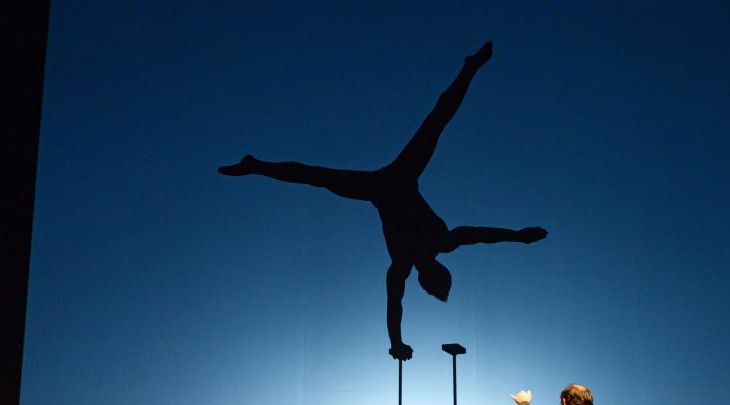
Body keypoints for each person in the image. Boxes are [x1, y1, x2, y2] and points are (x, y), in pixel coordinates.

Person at [218, 41, 547, 361]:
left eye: (431, 293)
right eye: (433, 290)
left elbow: (396, 305)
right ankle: (470, 67)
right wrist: (518, 235)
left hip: (381, 187)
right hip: (400, 178)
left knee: (318, 174)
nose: (427, 290)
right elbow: (479, 235)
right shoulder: (438, 245)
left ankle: (256, 165)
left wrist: (397, 343)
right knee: (435, 122)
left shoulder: (404, 265)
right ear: (433, 277)